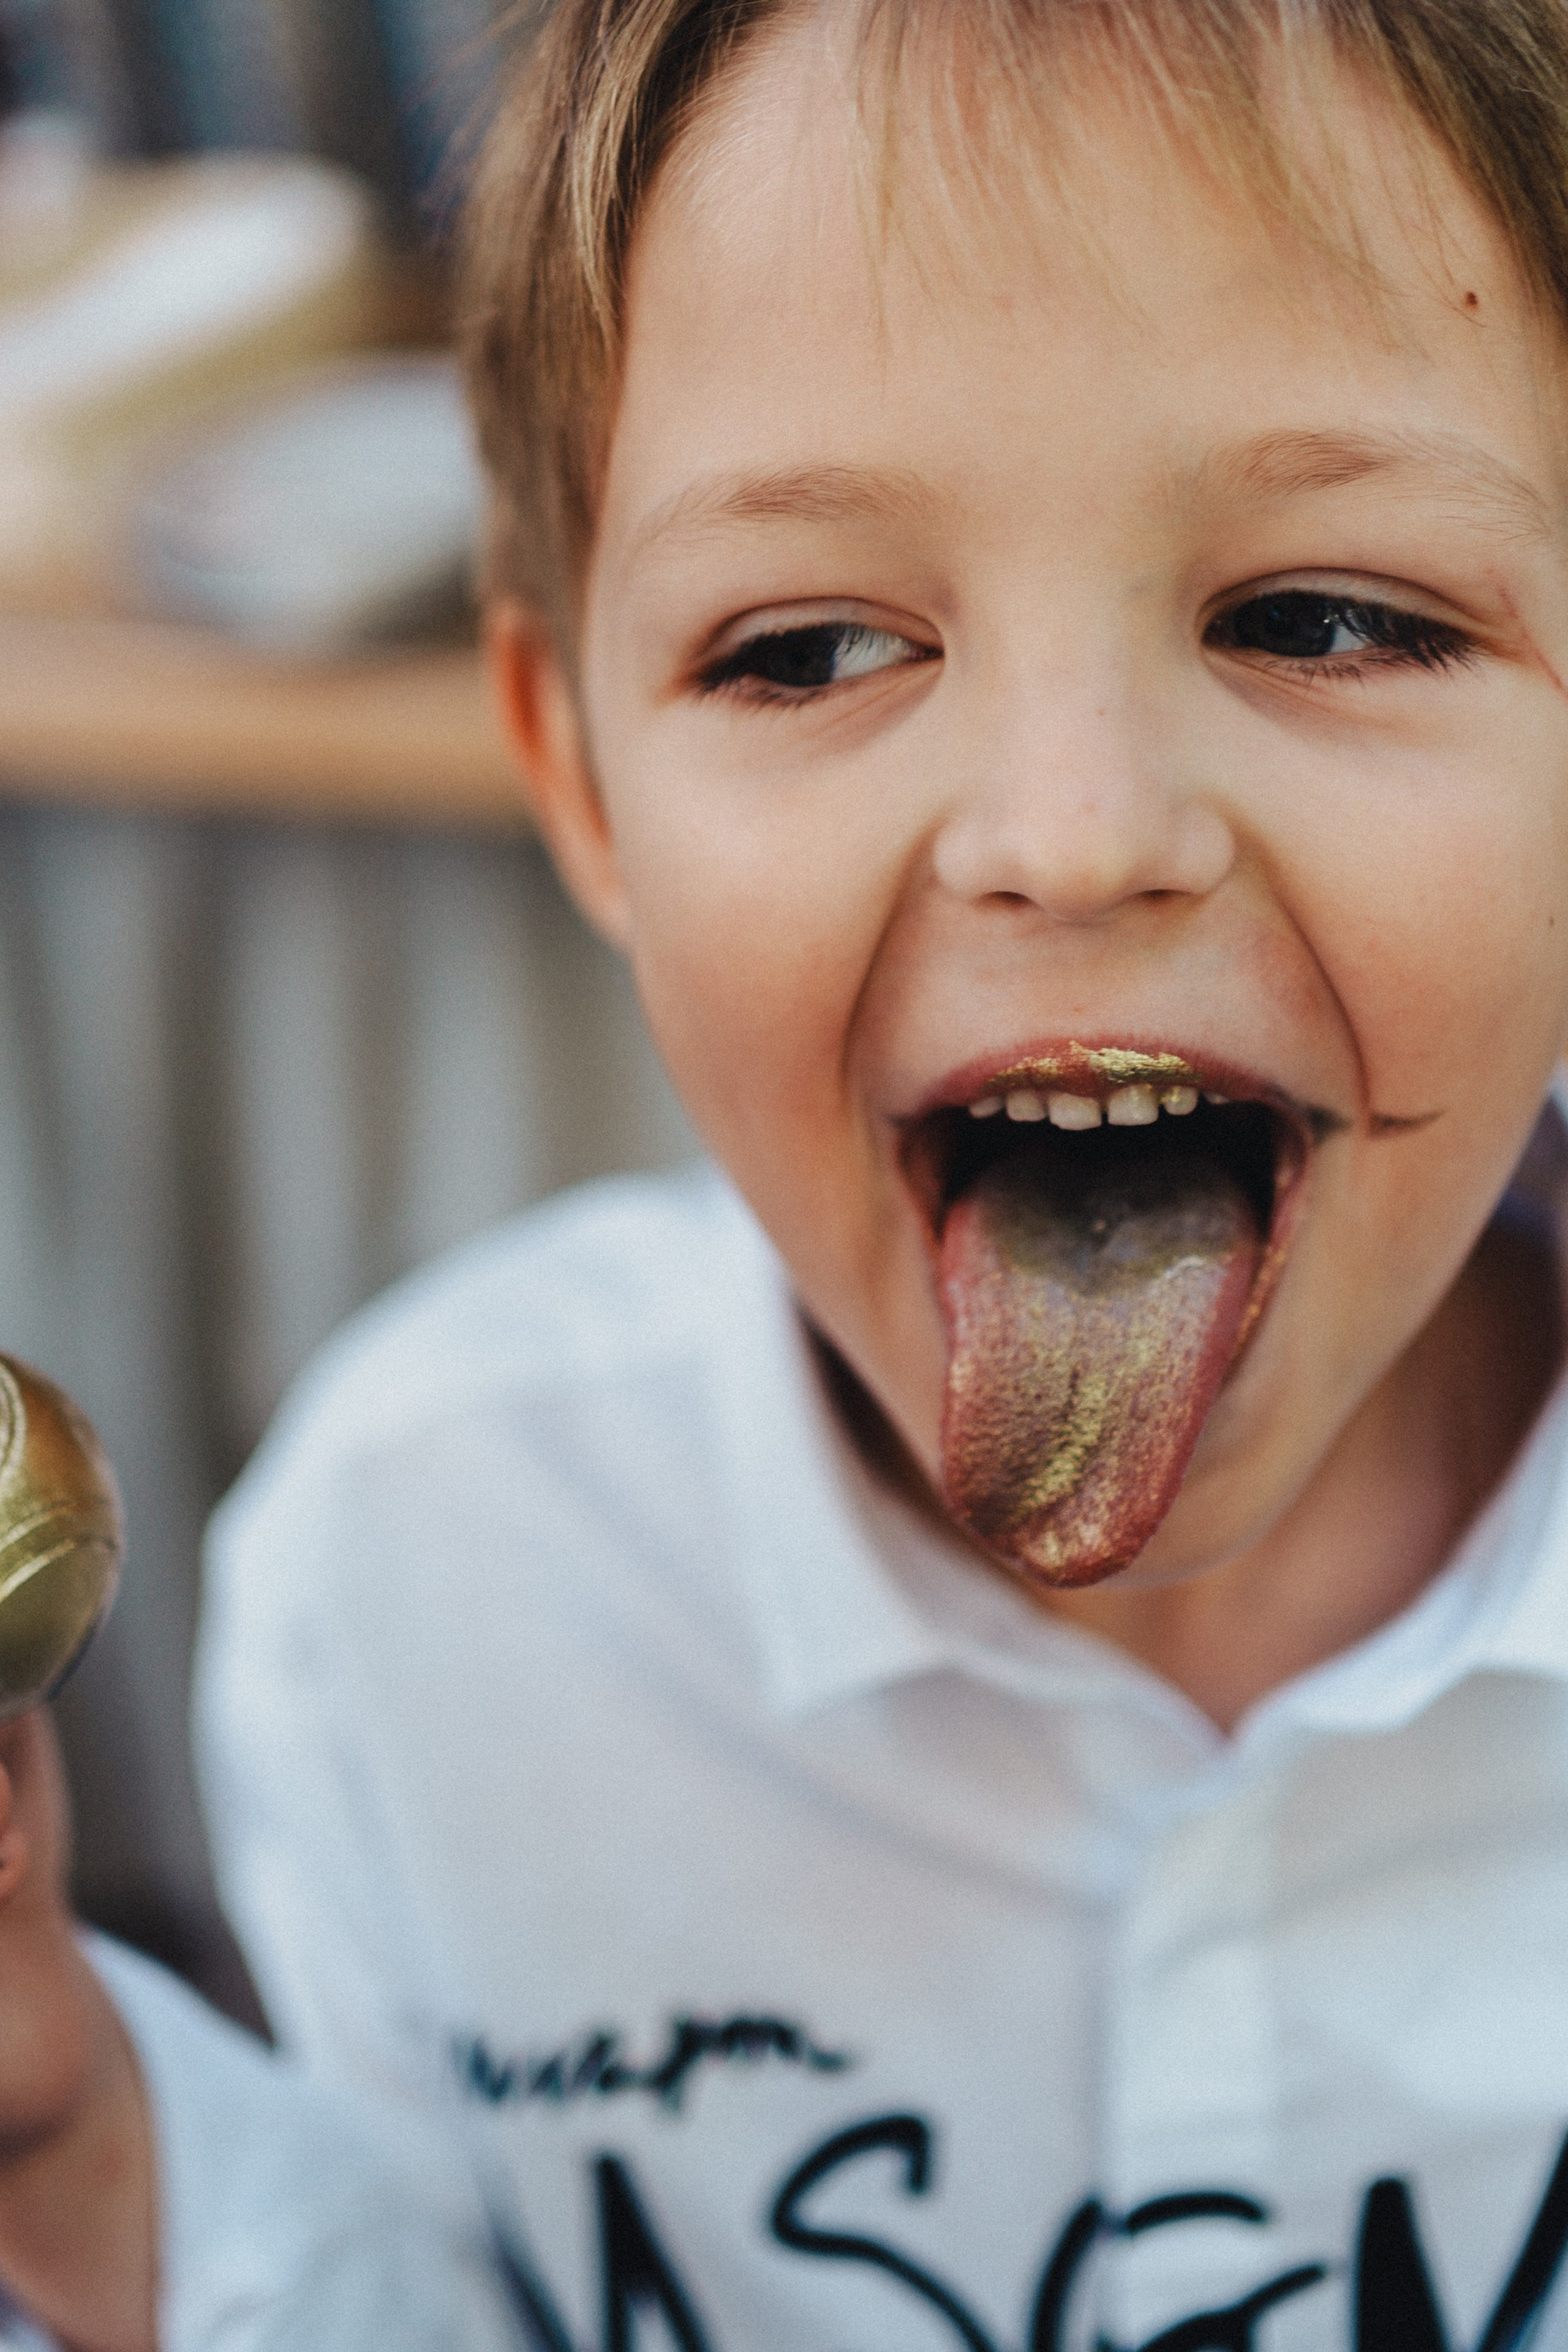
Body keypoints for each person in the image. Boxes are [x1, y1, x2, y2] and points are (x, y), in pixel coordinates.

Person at [10, 0, 1568, 2342]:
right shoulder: (430, 1577)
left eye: (1328, 615)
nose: (1073, 837)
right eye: (815, 642)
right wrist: (98, 2178)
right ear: (581, 775)